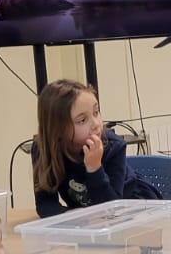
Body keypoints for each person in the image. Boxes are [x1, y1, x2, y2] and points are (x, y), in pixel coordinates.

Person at [32, 78, 129, 217]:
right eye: (82, 120)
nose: (96, 124)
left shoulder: (114, 147)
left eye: (96, 112)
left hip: (134, 209)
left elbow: (111, 209)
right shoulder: (43, 148)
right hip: (91, 222)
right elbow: (45, 205)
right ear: (57, 129)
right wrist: (78, 219)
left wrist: (94, 169)